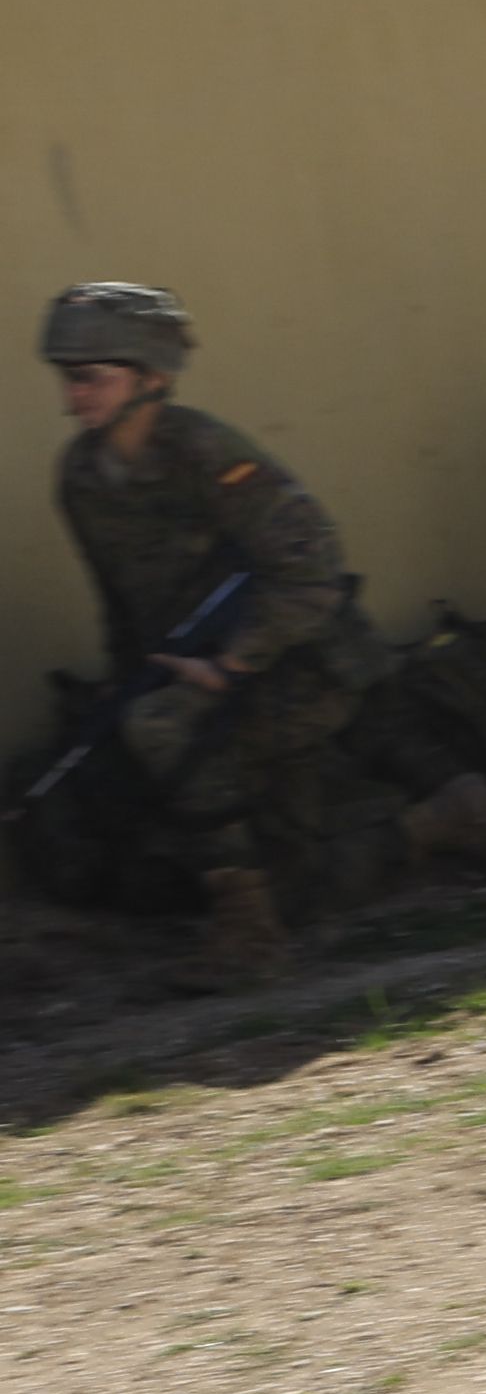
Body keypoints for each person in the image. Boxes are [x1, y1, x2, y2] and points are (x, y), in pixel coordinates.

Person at [37, 283, 453, 981]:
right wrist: (124, 687)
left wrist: (233, 664)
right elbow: (122, 603)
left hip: (303, 665)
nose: (75, 395)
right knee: (220, 856)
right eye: (69, 378)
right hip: (203, 676)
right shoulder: (82, 477)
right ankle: (439, 823)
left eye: (92, 378)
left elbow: (312, 569)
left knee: (163, 731)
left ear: (152, 378)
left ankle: (252, 939)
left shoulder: (207, 453)